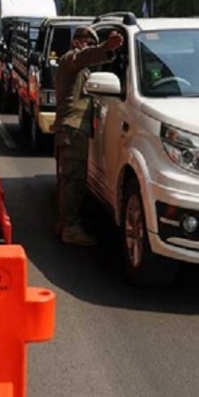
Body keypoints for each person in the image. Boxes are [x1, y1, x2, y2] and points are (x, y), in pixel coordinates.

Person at [53, 25, 123, 246]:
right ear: (77, 42)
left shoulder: (79, 69)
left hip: (70, 130)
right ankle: (71, 228)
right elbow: (85, 57)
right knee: (73, 181)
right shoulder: (71, 59)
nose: (90, 48)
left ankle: (65, 224)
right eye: (88, 43)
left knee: (69, 181)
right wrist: (105, 47)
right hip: (72, 131)